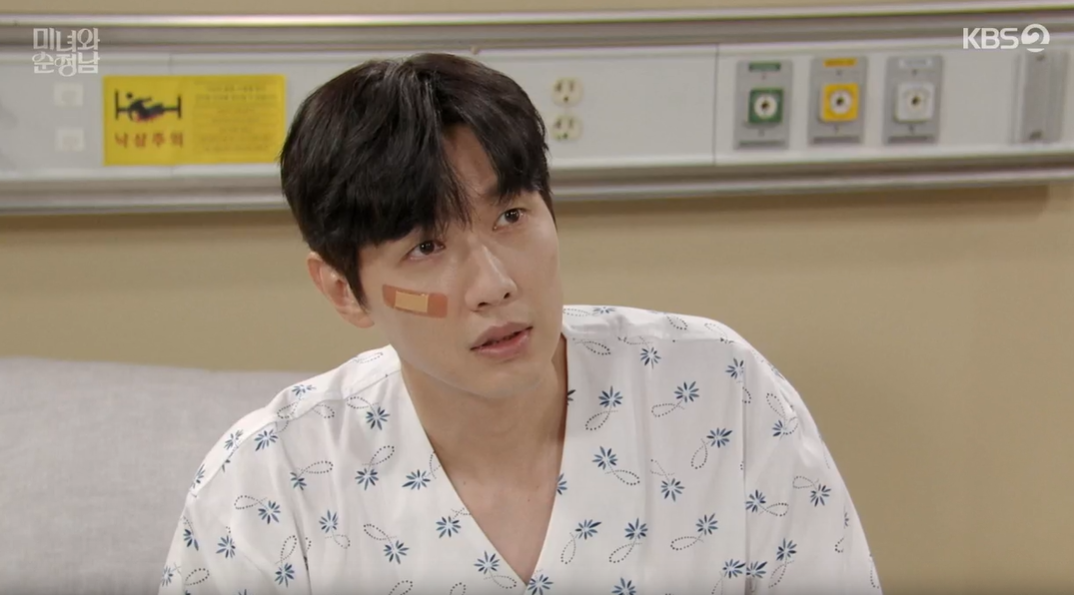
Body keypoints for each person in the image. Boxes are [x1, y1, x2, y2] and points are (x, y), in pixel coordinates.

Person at [159, 52, 881, 595]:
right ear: (345, 291)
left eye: (511, 216)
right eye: (426, 247)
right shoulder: (270, 485)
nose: (495, 284)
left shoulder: (722, 396)